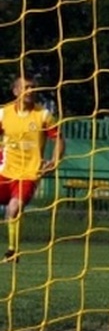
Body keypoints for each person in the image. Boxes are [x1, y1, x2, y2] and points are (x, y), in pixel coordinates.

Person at [0, 76, 65, 263]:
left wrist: (54, 160)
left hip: (28, 174)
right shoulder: (3, 114)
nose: (30, 91)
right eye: (26, 87)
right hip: (4, 171)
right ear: (16, 91)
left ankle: (12, 251)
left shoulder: (43, 115)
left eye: (33, 87)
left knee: (14, 208)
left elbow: (59, 139)